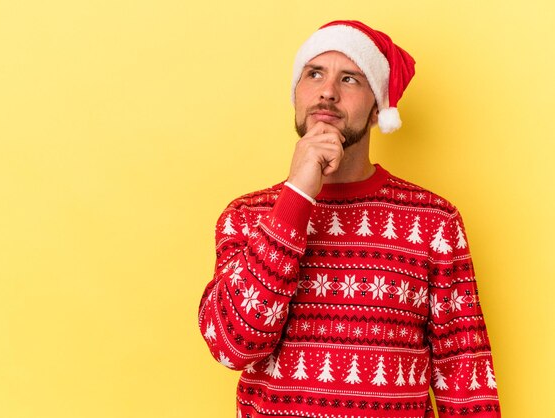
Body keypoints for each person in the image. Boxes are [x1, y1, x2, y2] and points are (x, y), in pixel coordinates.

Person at [198, 20, 501, 418]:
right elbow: (231, 345)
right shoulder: (246, 217)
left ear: (377, 107)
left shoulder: (435, 222)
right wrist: (297, 196)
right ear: (296, 94)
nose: (327, 91)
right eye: (315, 73)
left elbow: (466, 375)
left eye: (351, 78)